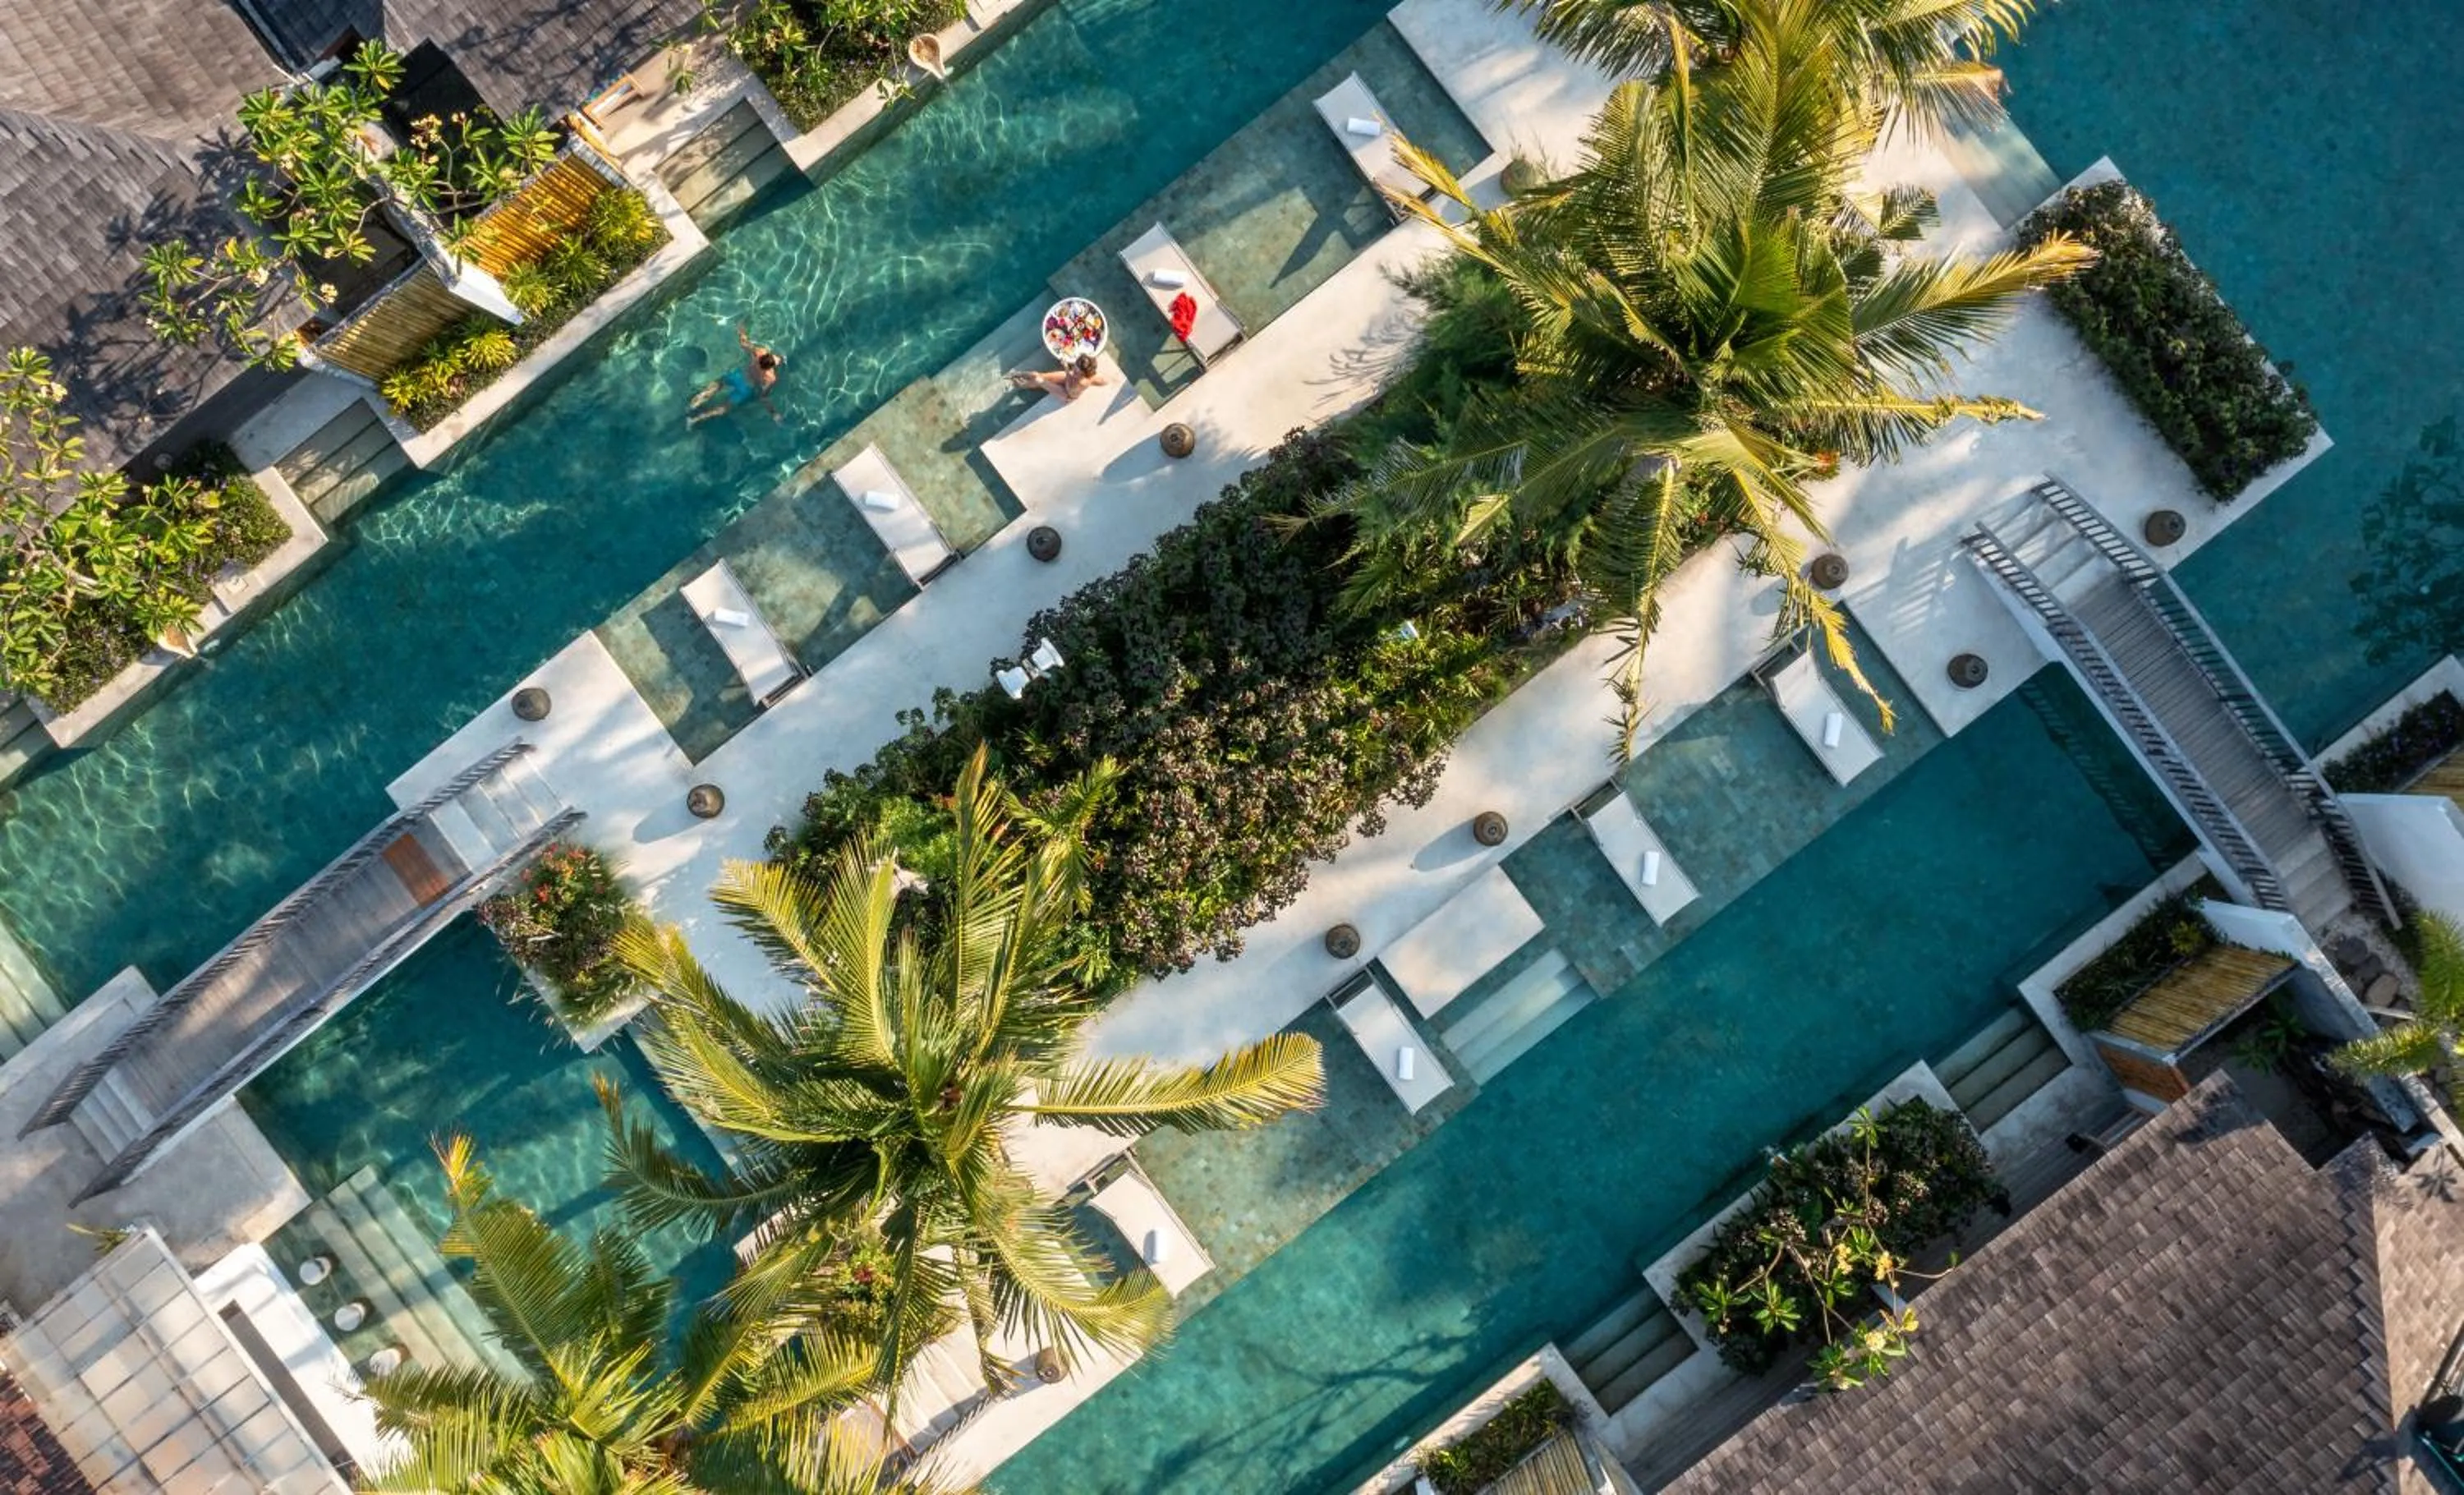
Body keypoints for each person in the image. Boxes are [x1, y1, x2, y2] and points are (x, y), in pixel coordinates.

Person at [689, 326, 783, 426]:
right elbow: (763, 397)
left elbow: (743, 343)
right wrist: (773, 413)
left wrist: (741, 331)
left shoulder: (760, 352)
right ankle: (694, 420)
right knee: (724, 408)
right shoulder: (770, 377)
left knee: (717, 385)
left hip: (738, 375)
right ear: (771, 367)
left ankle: (693, 404)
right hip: (745, 388)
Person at [1009, 353, 1103, 402]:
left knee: (1039, 380)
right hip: (1070, 381)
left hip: (1067, 394)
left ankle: (1018, 385)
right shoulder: (1083, 374)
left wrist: (1066, 369)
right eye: (1075, 366)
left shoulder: (1082, 382)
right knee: (1037, 375)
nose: (1074, 369)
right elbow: (1072, 377)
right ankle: (1018, 374)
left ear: (1083, 373)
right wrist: (1070, 373)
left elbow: (1069, 388)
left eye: (1077, 370)